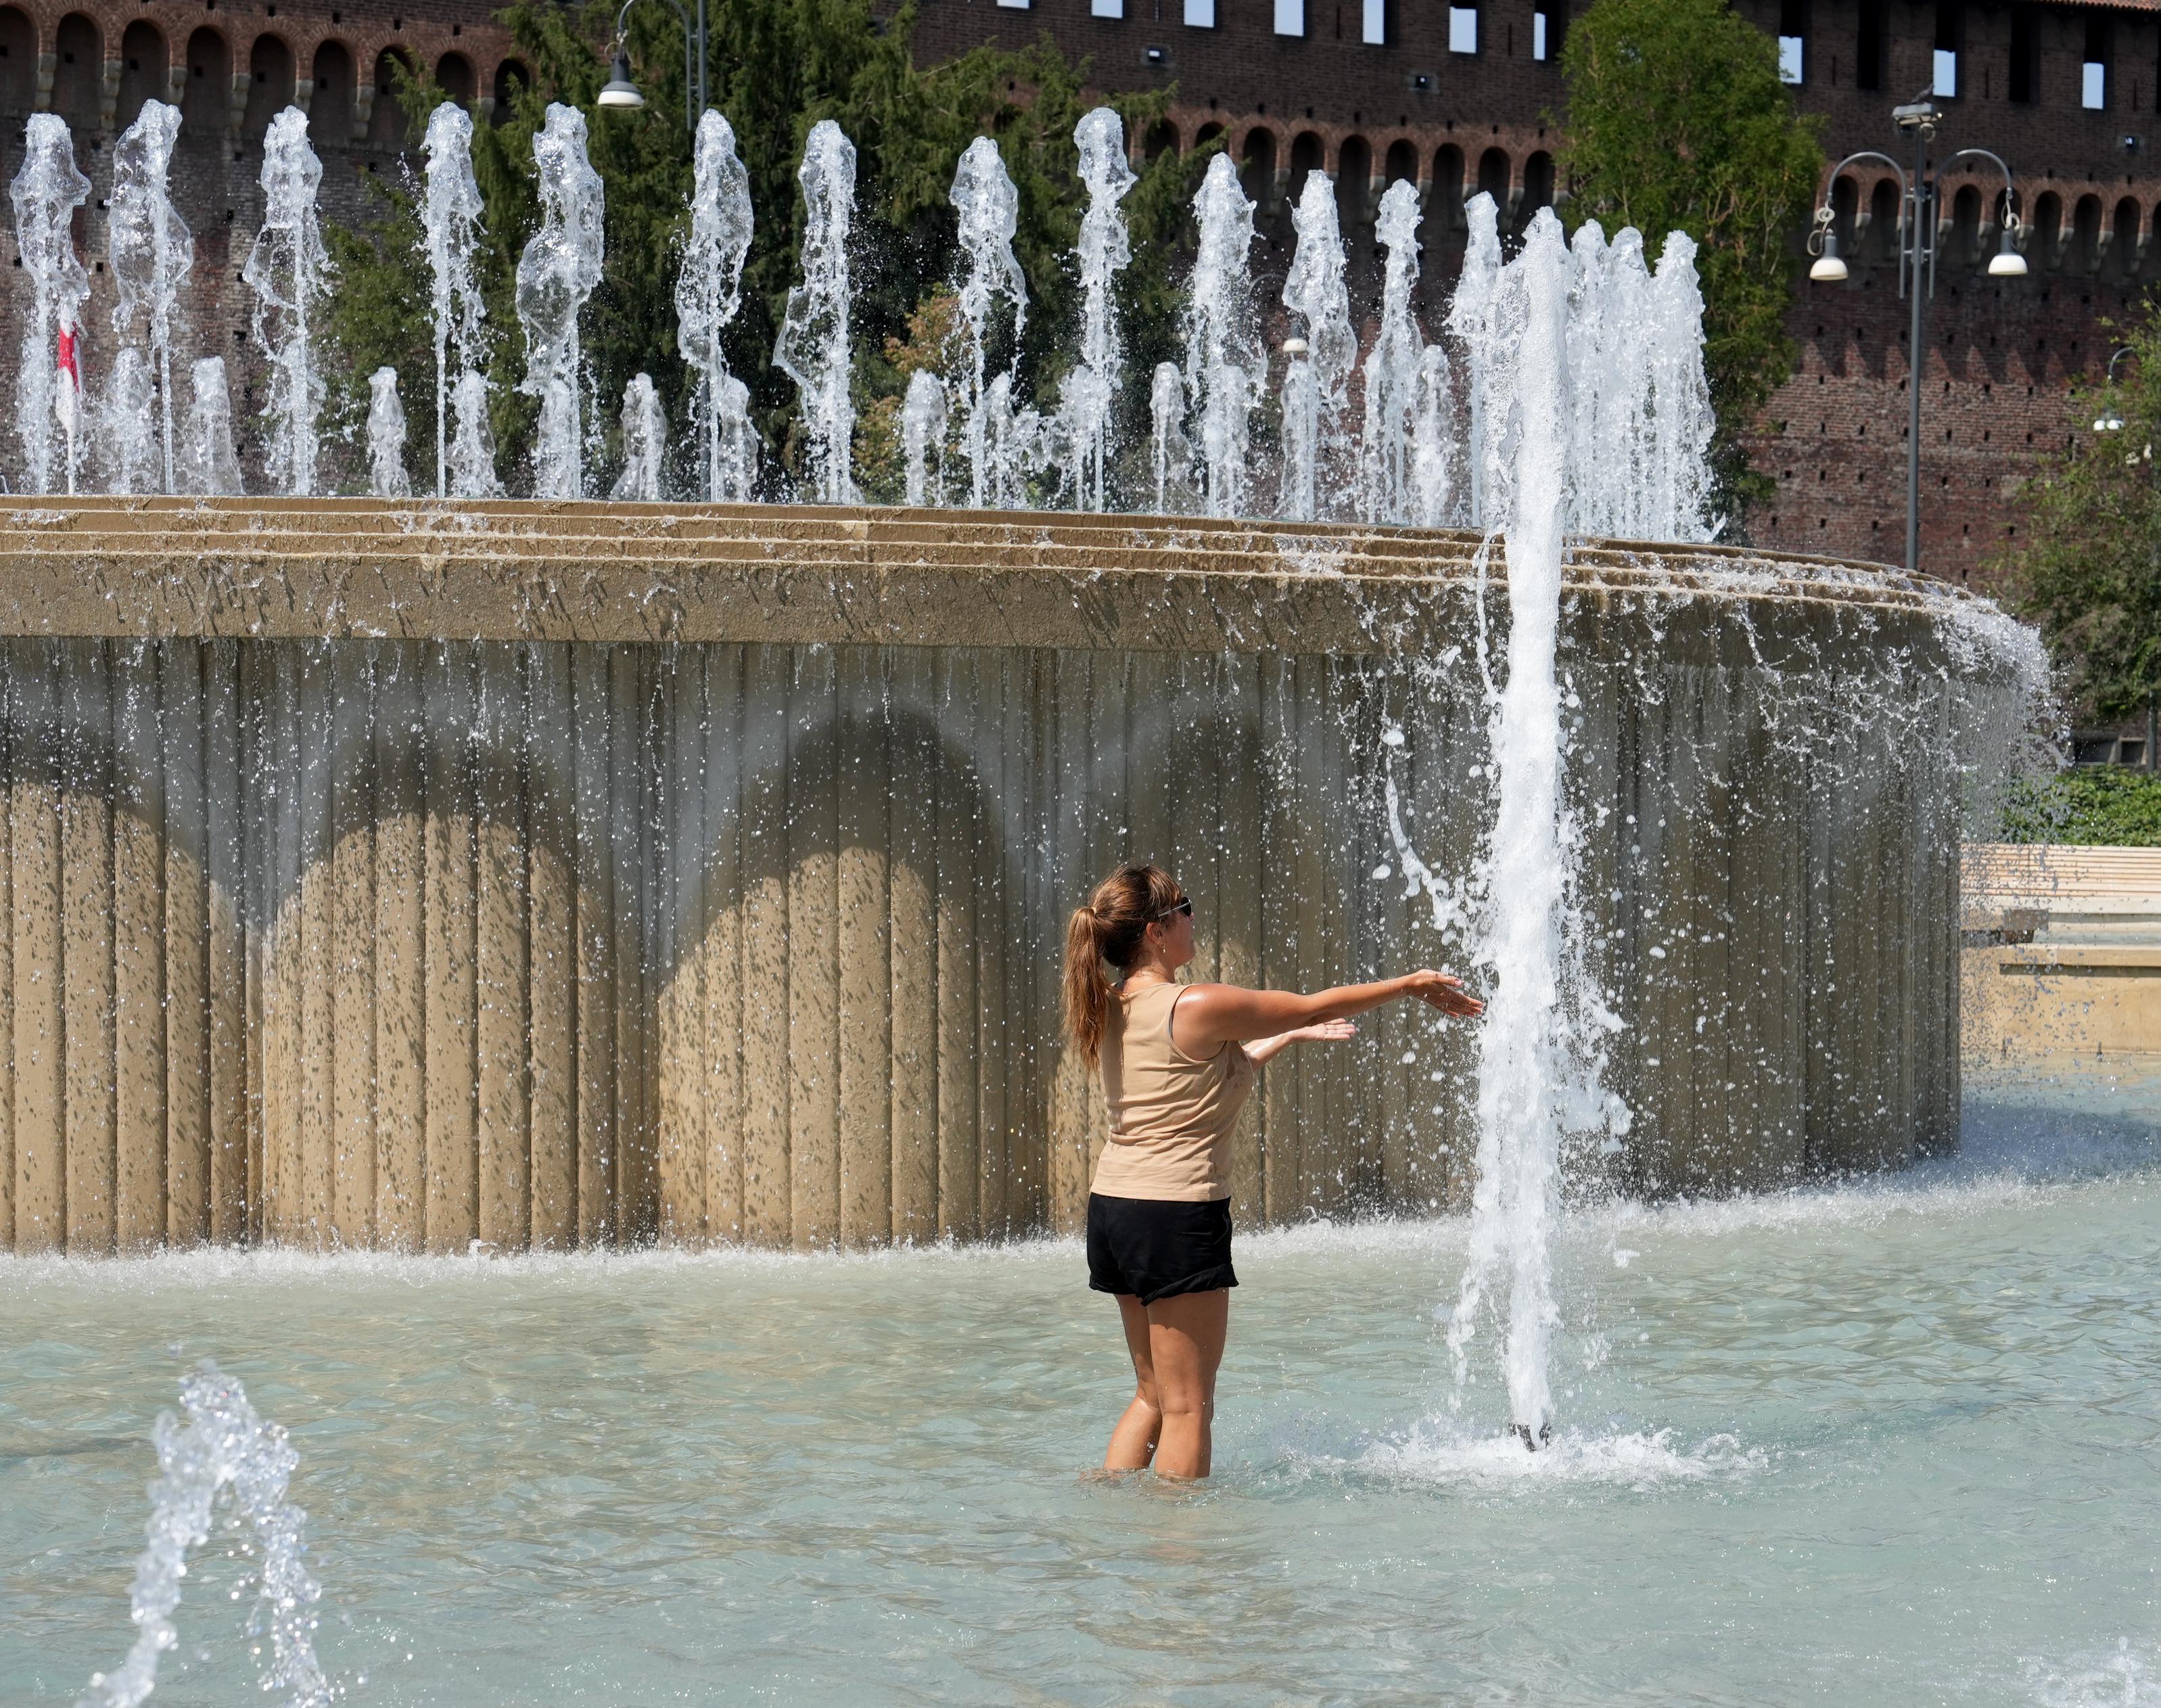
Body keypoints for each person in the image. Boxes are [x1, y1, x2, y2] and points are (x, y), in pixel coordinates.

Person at [1061, 862, 1485, 1481]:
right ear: (1156, 930)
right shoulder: (1196, 1001)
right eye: (1186, 906)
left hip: (1116, 1211)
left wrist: (1288, 1039)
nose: (1192, 917)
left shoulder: (1114, 1004)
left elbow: (1200, 1078)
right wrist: (1409, 985)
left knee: (1154, 1395)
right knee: (1188, 1407)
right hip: (1176, 1212)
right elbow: (1309, 1002)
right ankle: (1184, 1559)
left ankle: (1113, 1520)